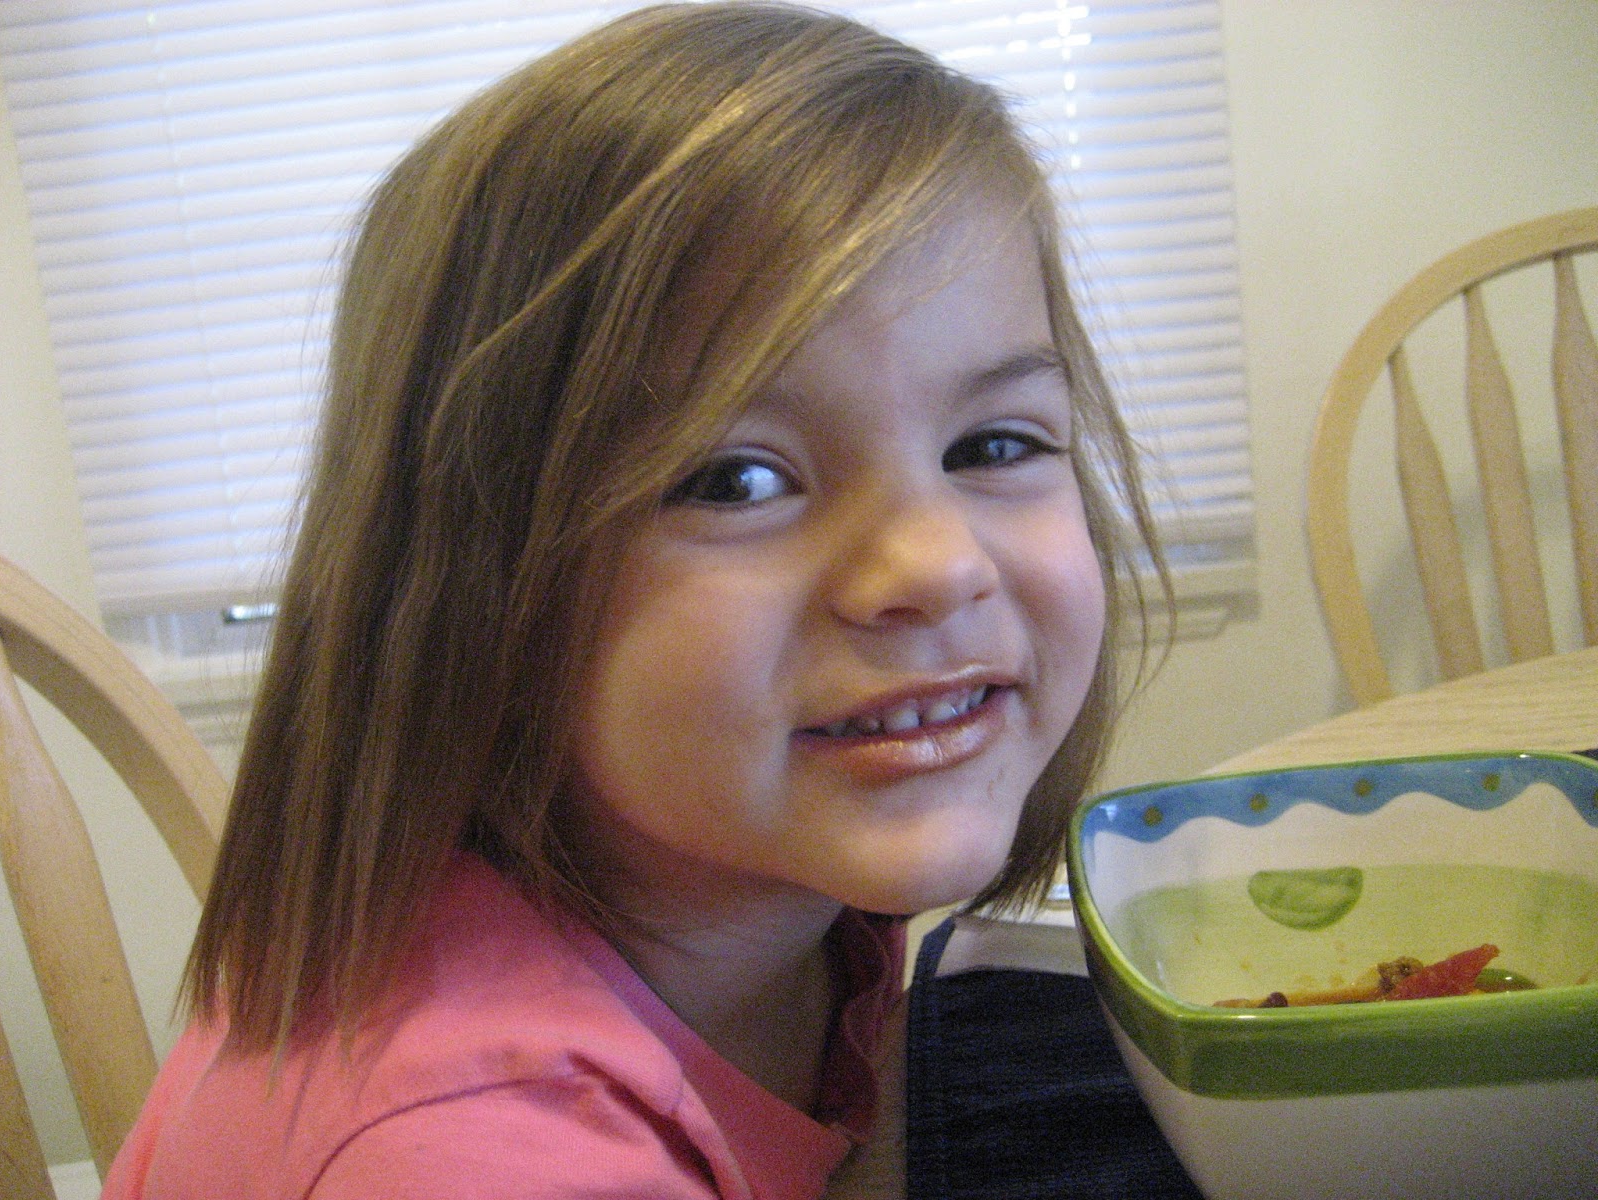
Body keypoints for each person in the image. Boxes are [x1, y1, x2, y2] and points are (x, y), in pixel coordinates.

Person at [102, 3, 1165, 1197]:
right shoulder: (479, 1158)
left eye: (992, 444)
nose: (934, 564)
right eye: (736, 480)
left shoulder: (764, 878)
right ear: (471, 594)